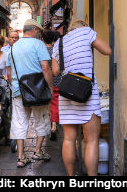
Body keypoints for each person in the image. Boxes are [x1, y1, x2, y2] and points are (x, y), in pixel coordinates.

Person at [51, 20, 111, 176]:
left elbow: (56, 71)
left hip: (67, 94)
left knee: (69, 139)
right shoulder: (86, 32)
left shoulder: (60, 41)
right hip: (86, 94)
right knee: (92, 140)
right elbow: (107, 50)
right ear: (84, 27)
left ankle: (71, 177)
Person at [6, 19, 53, 168]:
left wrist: (14, 86)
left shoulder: (12, 48)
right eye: (38, 31)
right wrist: (50, 87)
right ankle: (38, 151)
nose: (38, 34)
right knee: (42, 119)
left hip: (19, 90)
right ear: (33, 30)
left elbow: (8, 73)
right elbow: (45, 68)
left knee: (19, 122)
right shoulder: (38, 44)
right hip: (38, 90)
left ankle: (21, 156)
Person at [41, 29, 61, 141]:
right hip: (57, 80)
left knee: (45, 105)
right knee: (55, 104)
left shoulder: (41, 51)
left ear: (42, 39)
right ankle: (54, 125)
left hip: (44, 82)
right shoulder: (56, 50)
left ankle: (46, 125)